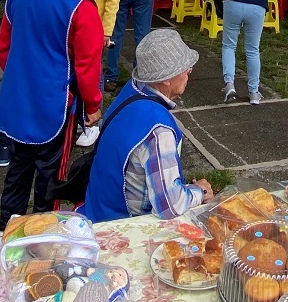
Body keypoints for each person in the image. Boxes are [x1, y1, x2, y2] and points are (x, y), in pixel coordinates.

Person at [0, 0, 104, 231]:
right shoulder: (81, 5)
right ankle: (44, 230)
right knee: (50, 173)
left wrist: (18, 75)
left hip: (18, 94)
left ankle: (6, 226)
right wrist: (92, 105)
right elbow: (87, 65)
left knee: (18, 166)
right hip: (54, 102)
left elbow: (4, 44)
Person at [83, 29, 213, 221]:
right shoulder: (158, 130)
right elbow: (169, 206)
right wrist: (200, 191)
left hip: (96, 209)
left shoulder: (132, 90)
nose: (189, 72)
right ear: (166, 78)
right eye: (185, 68)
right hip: (121, 227)